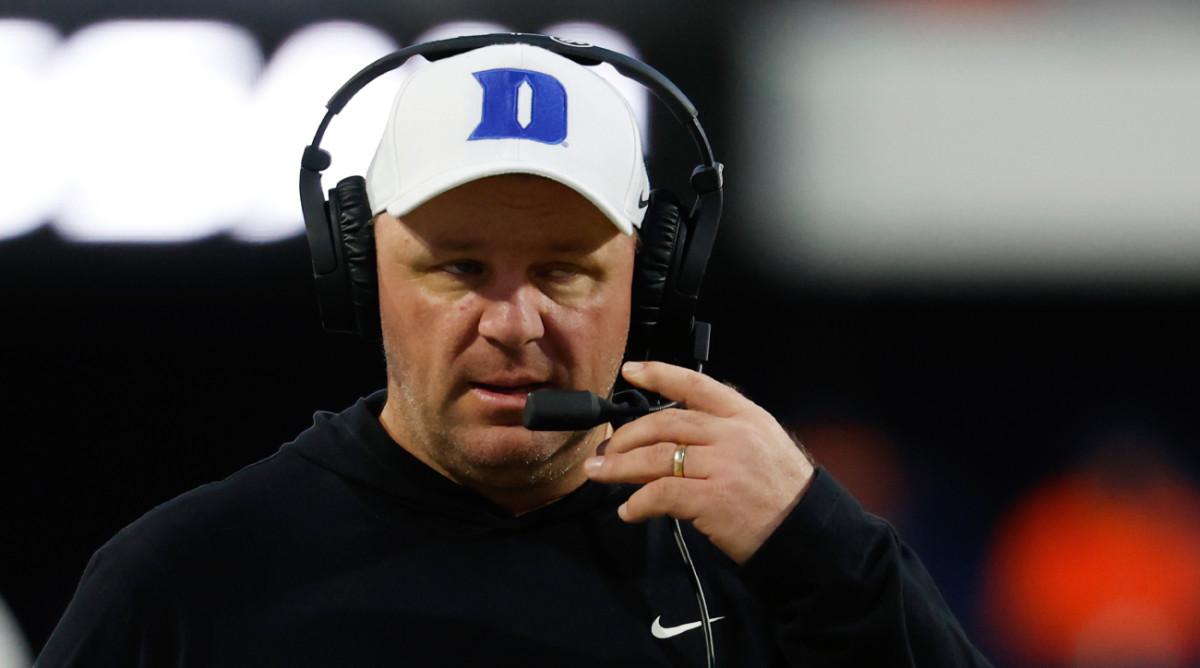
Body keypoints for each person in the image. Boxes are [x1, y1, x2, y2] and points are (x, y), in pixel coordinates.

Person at [37, 38, 992, 666]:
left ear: (647, 283)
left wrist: (827, 545)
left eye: (565, 270)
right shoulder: (182, 584)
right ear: (365, 275)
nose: (513, 322)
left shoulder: (766, 562)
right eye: (457, 268)